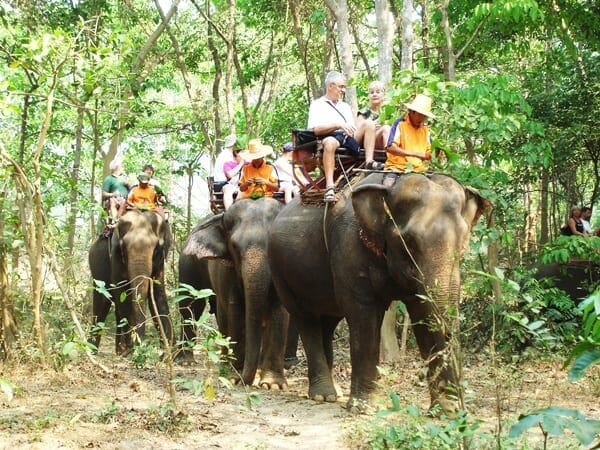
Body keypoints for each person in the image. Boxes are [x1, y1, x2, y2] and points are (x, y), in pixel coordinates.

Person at [307, 71, 356, 202]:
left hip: (347, 138)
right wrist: (337, 125)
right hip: (328, 137)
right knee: (329, 142)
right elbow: (315, 130)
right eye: (341, 87)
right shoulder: (317, 105)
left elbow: (351, 127)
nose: (343, 90)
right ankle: (330, 187)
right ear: (330, 86)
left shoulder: (345, 107)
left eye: (344, 87)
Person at [383, 93, 435, 187]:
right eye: (419, 115)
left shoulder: (425, 130)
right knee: (387, 186)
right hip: (397, 168)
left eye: (424, 116)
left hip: (419, 170)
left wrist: (436, 154)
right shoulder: (400, 124)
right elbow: (390, 148)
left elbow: (429, 153)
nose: (422, 118)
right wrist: (415, 154)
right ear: (411, 111)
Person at [354, 80, 391, 170]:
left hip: (380, 141)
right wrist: (372, 125)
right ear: (369, 96)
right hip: (365, 141)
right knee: (369, 123)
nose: (374, 94)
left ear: (384, 94)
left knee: (386, 128)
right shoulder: (364, 112)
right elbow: (358, 130)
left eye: (378, 92)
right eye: (372, 92)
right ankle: (369, 161)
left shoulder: (388, 111)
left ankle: (391, 159)